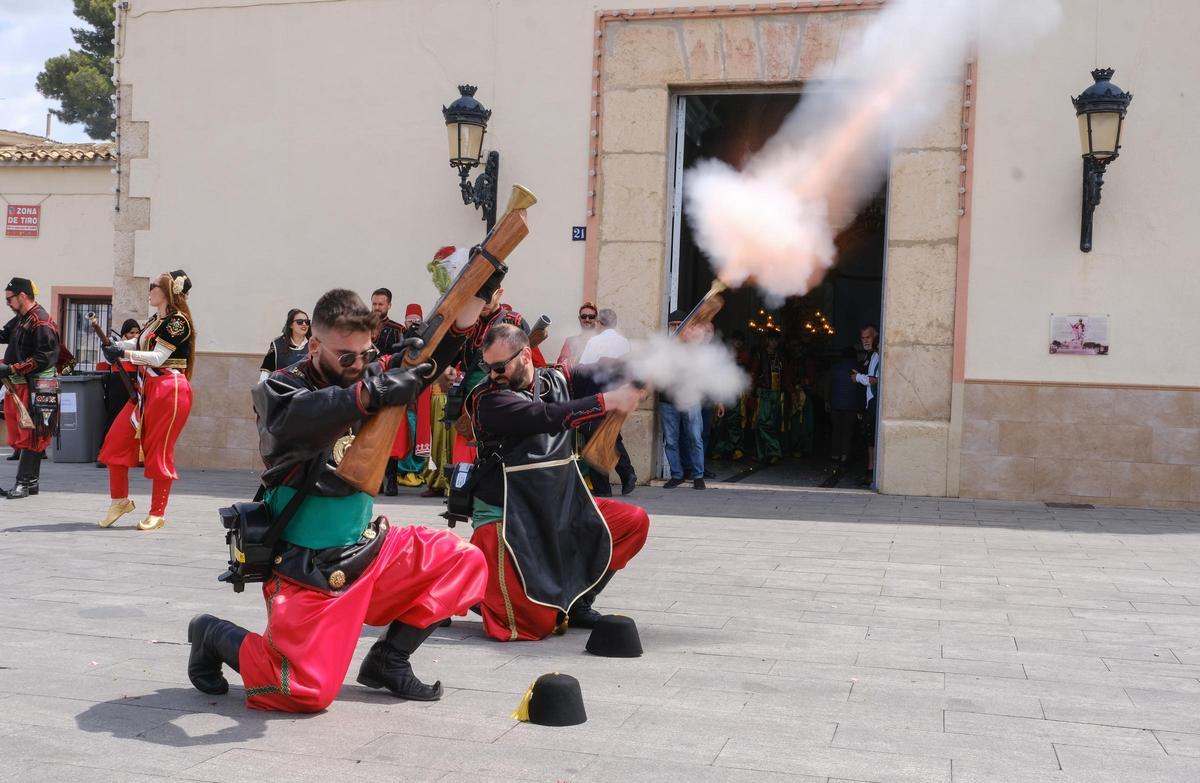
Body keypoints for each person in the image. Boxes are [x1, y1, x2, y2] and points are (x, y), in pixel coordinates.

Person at [186, 284, 498, 712]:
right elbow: (295, 419)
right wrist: (370, 393)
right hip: (308, 566)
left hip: (369, 548)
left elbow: (430, 357)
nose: (357, 366)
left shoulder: (369, 372)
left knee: (465, 561)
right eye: (345, 357)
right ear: (314, 345)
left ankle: (389, 660)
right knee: (302, 692)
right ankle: (212, 634)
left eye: (366, 355)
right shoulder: (280, 388)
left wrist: (477, 294)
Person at [465, 324, 649, 641]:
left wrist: (650, 366)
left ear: (525, 355)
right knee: (534, 626)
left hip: (558, 505)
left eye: (499, 367)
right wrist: (608, 401)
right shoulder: (488, 401)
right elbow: (548, 415)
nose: (493, 375)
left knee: (632, 522)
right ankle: (479, 590)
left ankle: (578, 603)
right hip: (507, 516)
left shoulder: (556, 379)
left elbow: (599, 371)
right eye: (488, 367)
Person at [98, 271, 196, 530]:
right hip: (147, 389)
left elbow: (159, 358)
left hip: (169, 390)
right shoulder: (156, 319)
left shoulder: (178, 322)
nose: (149, 289)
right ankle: (119, 501)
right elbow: (138, 341)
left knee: (159, 451)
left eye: (154, 285)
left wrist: (126, 356)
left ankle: (157, 513)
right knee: (115, 442)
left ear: (168, 290)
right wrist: (117, 347)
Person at [0, 277, 62, 499]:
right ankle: (31, 483)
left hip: (39, 385)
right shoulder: (21, 318)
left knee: (33, 433)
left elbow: (44, 357)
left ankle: (23, 484)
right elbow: (4, 335)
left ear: (22, 296)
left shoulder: (41, 321)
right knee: (24, 431)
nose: (7, 303)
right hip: (22, 384)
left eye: (10, 299)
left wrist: (12, 368)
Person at [576, 308, 636, 496]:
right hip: (620, 395)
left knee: (596, 440)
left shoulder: (595, 341)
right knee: (611, 436)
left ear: (599, 323)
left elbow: (584, 369)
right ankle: (627, 473)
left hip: (599, 396)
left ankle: (604, 489)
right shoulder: (624, 342)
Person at [659, 311, 706, 490]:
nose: (676, 327)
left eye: (680, 323)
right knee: (671, 440)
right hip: (667, 399)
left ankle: (698, 476)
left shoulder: (695, 346)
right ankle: (676, 475)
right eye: (673, 324)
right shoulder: (663, 346)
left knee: (694, 437)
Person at [96, 318, 141, 467]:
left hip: (136, 383)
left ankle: (135, 455)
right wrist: (112, 344)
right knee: (114, 417)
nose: (134, 335)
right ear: (124, 334)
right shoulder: (115, 344)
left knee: (135, 420)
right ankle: (103, 453)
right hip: (118, 382)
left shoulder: (138, 345)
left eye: (137, 332)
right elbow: (110, 360)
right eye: (131, 332)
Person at [749, 328, 791, 464]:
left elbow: (786, 376)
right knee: (761, 423)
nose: (774, 343)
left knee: (773, 424)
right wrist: (751, 391)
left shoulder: (781, 356)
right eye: (771, 340)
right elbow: (753, 374)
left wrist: (792, 392)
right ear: (767, 340)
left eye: (776, 340)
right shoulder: (760, 355)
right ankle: (774, 450)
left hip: (777, 394)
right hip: (764, 393)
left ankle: (764, 454)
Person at [823, 345, 862, 486]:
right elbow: (860, 388)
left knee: (836, 430)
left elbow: (828, 385)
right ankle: (844, 457)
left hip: (836, 404)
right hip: (851, 405)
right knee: (847, 432)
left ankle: (835, 455)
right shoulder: (859, 367)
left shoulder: (835, 368)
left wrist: (827, 401)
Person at [852, 325, 880, 487]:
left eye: (868, 337)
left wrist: (858, 377)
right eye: (863, 338)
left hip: (874, 401)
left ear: (875, 337)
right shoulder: (871, 355)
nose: (865, 341)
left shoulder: (876, 355)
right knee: (869, 439)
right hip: (870, 401)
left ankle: (871, 473)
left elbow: (873, 380)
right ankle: (870, 471)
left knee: (871, 440)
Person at [258, 309, 310, 382]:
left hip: (307, 391)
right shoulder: (277, 345)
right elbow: (266, 373)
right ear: (291, 325)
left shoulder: (314, 345)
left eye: (307, 322)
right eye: (300, 322)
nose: (304, 324)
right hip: (283, 390)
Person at [556, 301, 599, 367]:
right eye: (584, 316)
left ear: (596, 319)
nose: (587, 319)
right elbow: (561, 363)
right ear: (579, 319)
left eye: (591, 317)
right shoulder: (570, 341)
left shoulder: (602, 340)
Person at [371, 288, 405, 356]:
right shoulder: (361, 325)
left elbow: (401, 357)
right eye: (374, 304)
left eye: (380, 304)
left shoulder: (398, 330)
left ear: (389, 306)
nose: (377, 308)